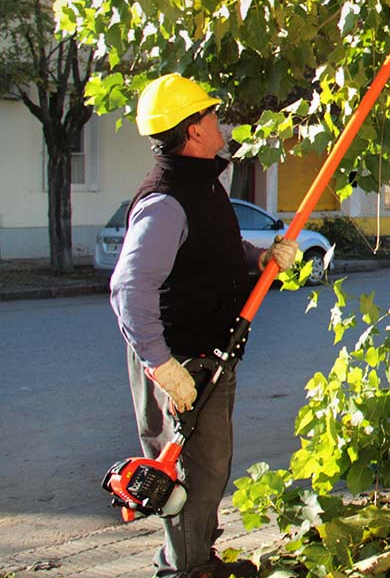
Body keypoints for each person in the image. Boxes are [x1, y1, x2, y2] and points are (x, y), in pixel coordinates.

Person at [110, 73, 298, 578]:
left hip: (205, 355)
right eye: (210, 115)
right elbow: (129, 289)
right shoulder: (166, 200)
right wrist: (160, 365)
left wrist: (259, 259)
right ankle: (187, 569)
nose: (219, 122)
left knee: (207, 473)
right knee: (191, 475)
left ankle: (188, 558)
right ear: (192, 131)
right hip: (180, 361)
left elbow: (210, 251)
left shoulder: (200, 184)